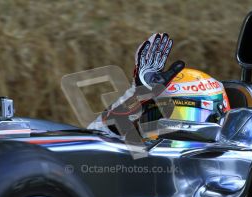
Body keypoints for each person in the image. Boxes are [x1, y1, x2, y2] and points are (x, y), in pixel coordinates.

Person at [88, 33, 230, 141]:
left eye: (189, 121)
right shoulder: (142, 163)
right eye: (155, 120)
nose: (171, 138)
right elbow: (89, 148)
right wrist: (137, 96)